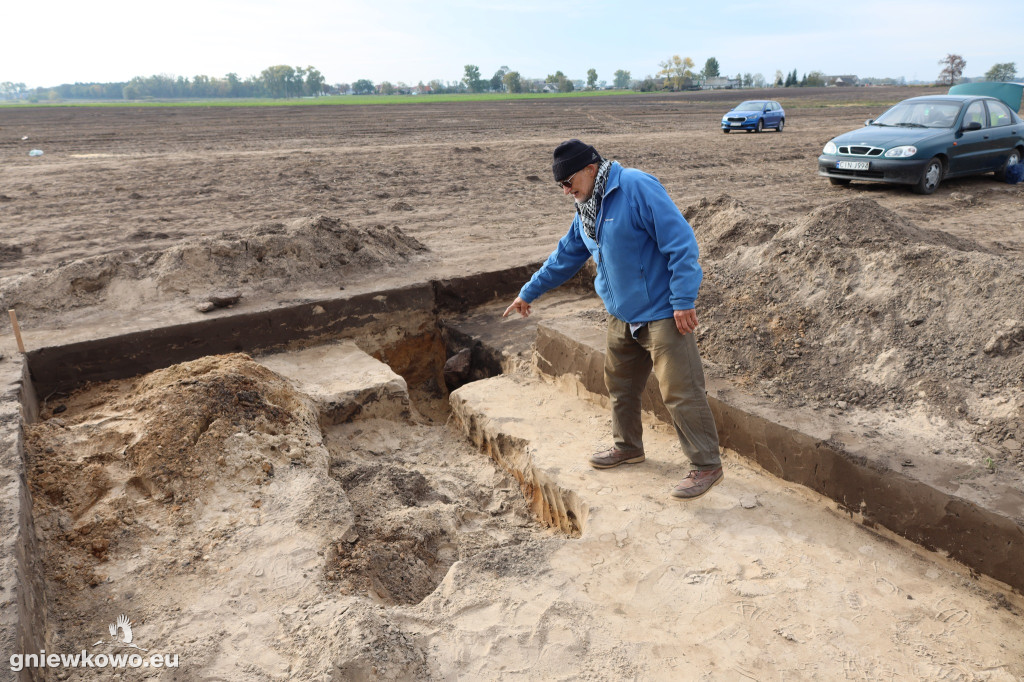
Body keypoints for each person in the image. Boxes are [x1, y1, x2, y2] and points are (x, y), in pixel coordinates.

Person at [502, 139, 722, 500]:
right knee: (620, 385)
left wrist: (683, 299)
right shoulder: (586, 208)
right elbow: (565, 256)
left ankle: (706, 465)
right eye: (560, 185)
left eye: (569, 181)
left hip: (664, 311)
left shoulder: (636, 187)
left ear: (591, 168)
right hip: (622, 315)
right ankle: (628, 447)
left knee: (680, 391)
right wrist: (528, 292)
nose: (565, 191)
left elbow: (680, 242)